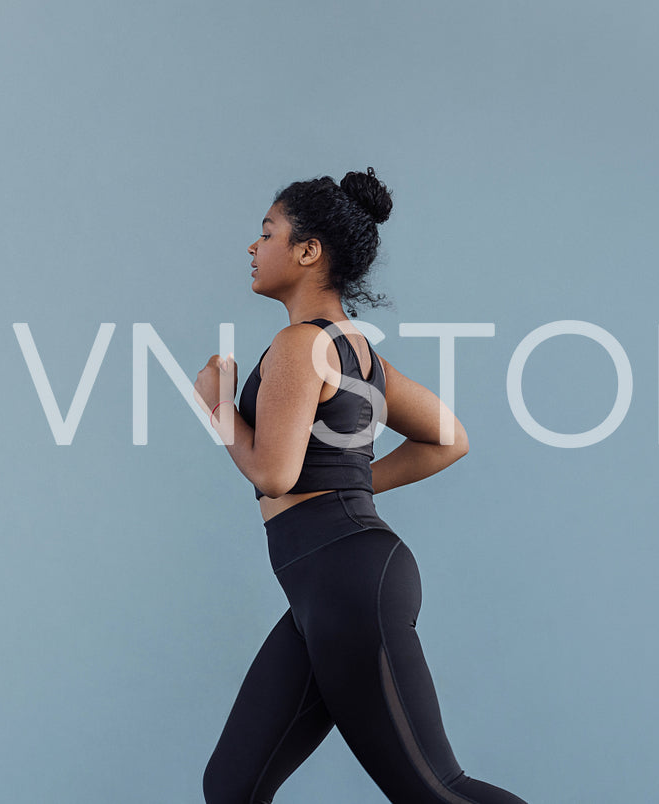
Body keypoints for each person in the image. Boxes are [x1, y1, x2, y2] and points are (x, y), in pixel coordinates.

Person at [193, 167, 530, 804]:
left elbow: (272, 473)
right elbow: (449, 438)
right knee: (231, 786)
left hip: (345, 581)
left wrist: (216, 408)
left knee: (437, 791)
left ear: (308, 251)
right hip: (329, 584)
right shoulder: (359, 354)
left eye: (267, 233)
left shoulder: (300, 345)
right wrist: (351, 487)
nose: (252, 247)